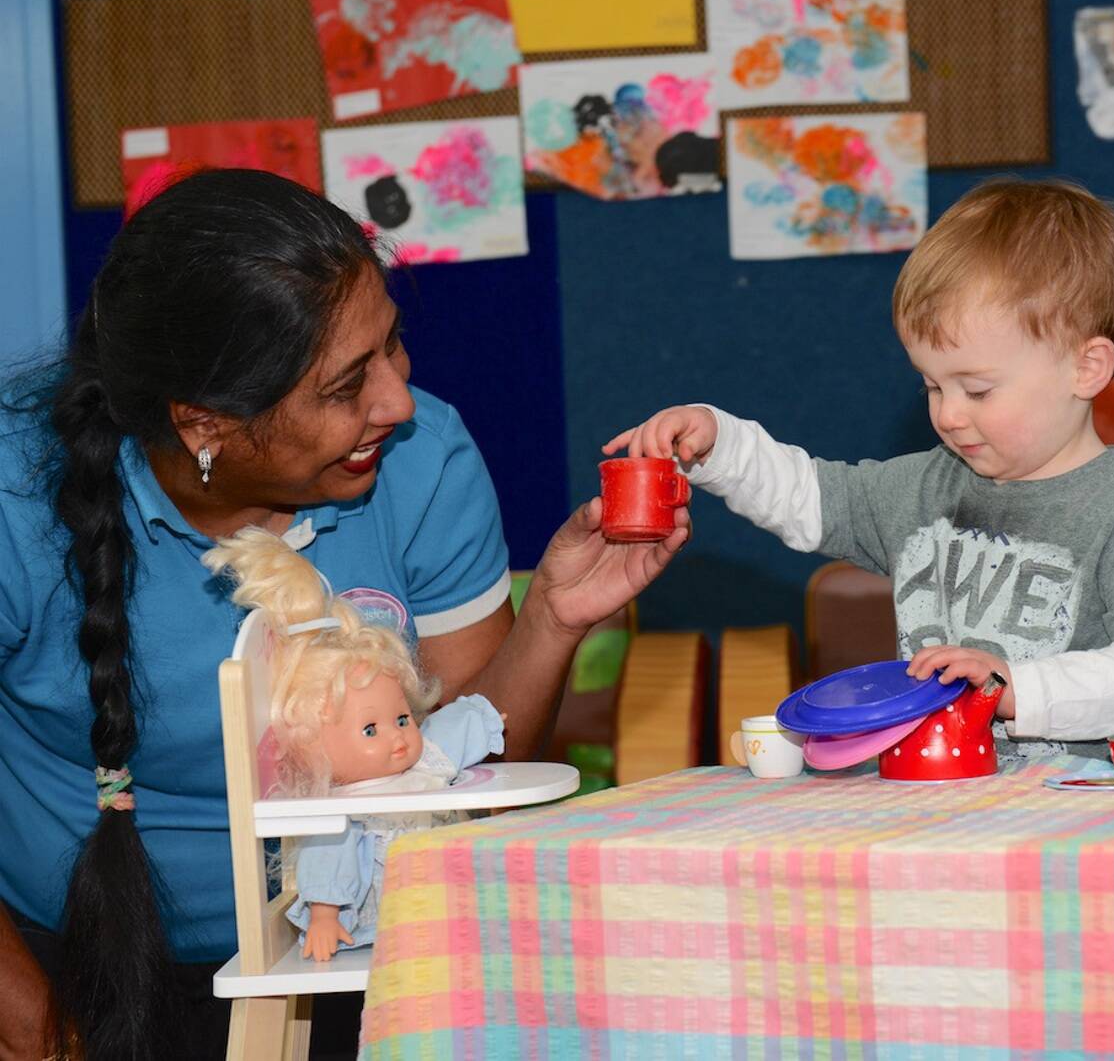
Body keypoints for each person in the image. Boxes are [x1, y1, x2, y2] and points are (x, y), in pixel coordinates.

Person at [0, 169, 688, 1059]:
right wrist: (33, 1030)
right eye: (344, 386)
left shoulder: (421, 459)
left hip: (357, 943)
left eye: (393, 347)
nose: (397, 401)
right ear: (205, 423)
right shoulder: (17, 496)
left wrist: (550, 620)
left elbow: (455, 774)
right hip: (61, 971)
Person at [607, 178, 1114, 762]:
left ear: (1086, 369)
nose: (947, 415)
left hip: (1071, 823)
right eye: (931, 385)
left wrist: (1014, 686)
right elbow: (809, 498)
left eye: (976, 390)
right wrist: (719, 443)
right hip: (937, 810)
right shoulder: (926, 490)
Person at [203, 526, 507, 963]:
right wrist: (326, 915)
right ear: (314, 745)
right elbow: (330, 862)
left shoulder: (424, 765)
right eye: (370, 730)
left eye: (402, 718)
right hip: (387, 911)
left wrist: (486, 719)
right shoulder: (344, 812)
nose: (398, 737)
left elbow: (449, 731)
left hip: (450, 901)